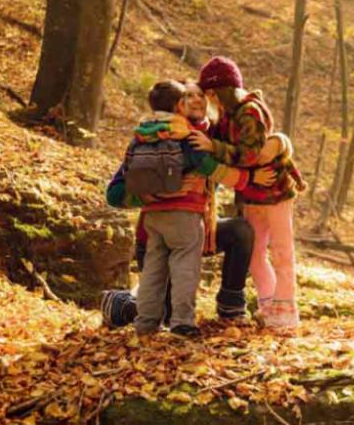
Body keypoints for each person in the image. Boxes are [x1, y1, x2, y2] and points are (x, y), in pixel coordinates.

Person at [101, 82, 267, 329]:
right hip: (155, 236)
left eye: (200, 94)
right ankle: (121, 304)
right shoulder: (160, 137)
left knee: (240, 231)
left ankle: (230, 307)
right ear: (179, 105)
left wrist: (254, 178)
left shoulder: (213, 140)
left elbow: (237, 162)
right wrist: (153, 195)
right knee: (163, 311)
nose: (196, 100)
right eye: (188, 96)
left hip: (197, 227)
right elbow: (114, 194)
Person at [191, 57, 305, 329]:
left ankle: (286, 312)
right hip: (250, 195)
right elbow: (217, 144)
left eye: (210, 92)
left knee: (282, 252)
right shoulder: (226, 116)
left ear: (221, 90)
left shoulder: (250, 111)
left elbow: (250, 154)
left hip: (275, 193)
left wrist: (213, 148)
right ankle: (269, 304)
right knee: (254, 254)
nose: (208, 98)